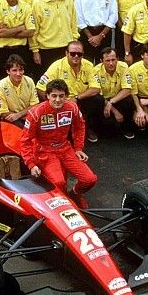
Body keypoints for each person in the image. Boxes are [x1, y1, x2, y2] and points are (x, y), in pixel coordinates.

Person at [21, 79, 97, 208]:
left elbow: (80, 127)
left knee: (90, 179)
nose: (58, 100)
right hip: (45, 151)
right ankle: (63, 204)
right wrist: (31, 164)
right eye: (54, 96)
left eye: (61, 96)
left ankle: (74, 194)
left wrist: (78, 148)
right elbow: (25, 140)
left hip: (65, 148)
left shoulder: (72, 107)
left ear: (66, 96)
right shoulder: (36, 113)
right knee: (59, 182)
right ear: (47, 96)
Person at [36, 41, 103, 141]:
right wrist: (52, 104)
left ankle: (88, 128)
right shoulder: (56, 66)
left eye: (79, 54)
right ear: (66, 53)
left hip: (80, 99)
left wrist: (76, 98)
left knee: (98, 100)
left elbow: (96, 88)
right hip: (62, 101)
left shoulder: (89, 65)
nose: (76, 56)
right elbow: (40, 88)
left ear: (83, 54)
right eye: (72, 53)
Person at [31, 0, 79, 78]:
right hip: (46, 49)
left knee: (65, 79)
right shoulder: (38, 2)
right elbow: (34, 29)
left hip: (66, 48)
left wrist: (74, 43)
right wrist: (35, 51)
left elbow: (73, 23)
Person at [74, 0, 118, 64]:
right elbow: (77, 14)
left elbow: (113, 15)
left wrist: (100, 36)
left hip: (104, 33)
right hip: (86, 33)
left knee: (103, 64)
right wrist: (90, 36)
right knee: (85, 63)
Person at [93, 47, 136, 138]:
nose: (111, 63)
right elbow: (97, 94)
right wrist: (115, 111)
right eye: (107, 60)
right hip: (103, 101)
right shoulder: (95, 71)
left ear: (118, 59)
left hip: (116, 99)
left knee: (129, 100)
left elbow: (127, 89)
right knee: (96, 101)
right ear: (101, 61)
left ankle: (126, 126)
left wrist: (111, 102)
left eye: (113, 60)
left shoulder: (124, 66)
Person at [0, 54, 38, 126]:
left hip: (27, 116)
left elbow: (35, 105)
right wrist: (22, 117)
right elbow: (3, 113)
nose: (18, 73)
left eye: (21, 70)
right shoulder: (0, 86)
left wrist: (18, 115)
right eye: (14, 70)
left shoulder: (29, 81)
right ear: (8, 71)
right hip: (11, 120)